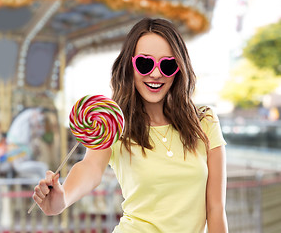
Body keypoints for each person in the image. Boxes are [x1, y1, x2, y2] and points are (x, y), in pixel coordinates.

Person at [32, 18, 228, 233]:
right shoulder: (114, 123)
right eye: (144, 63)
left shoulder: (204, 122)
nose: (155, 74)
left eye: (167, 65)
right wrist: (63, 198)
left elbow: (216, 208)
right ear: (129, 66)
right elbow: (91, 167)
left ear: (179, 69)